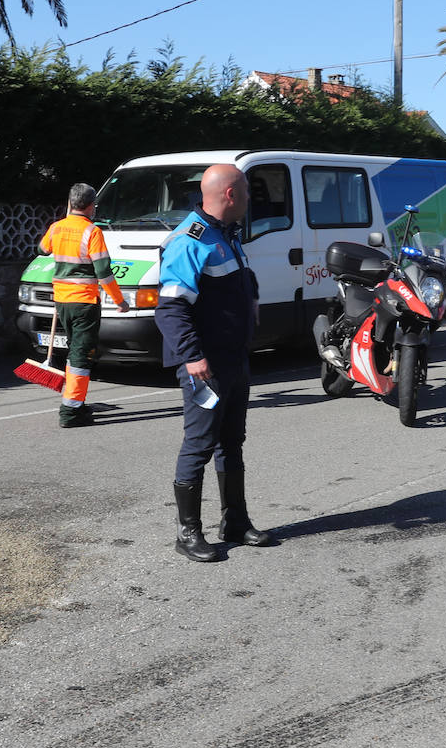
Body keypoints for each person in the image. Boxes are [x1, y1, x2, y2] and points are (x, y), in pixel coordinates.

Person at [156, 164, 273, 562]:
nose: (249, 199)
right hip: (205, 365)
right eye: (245, 191)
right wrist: (192, 356)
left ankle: (235, 522)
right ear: (229, 195)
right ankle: (188, 533)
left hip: (234, 358)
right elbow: (171, 307)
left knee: (232, 442)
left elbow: (241, 278)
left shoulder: (226, 234)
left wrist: (251, 298)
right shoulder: (191, 240)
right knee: (199, 443)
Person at [39, 183, 130, 427]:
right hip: (84, 302)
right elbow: (104, 272)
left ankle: (75, 402)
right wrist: (120, 300)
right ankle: (70, 412)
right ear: (91, 206)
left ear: (70, 203)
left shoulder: (56, 227)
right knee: (81, 355)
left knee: (74, 351)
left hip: (62, 302)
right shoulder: (92, 232)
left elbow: (43, 248)